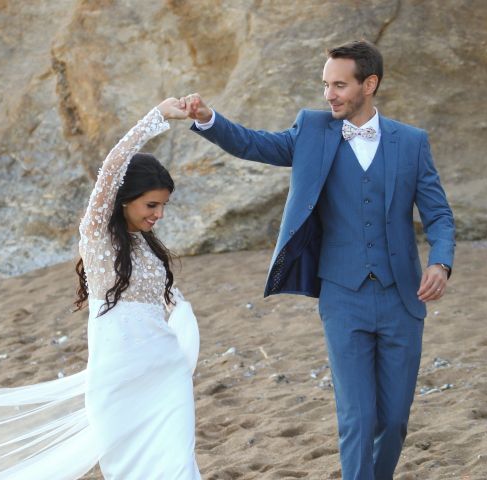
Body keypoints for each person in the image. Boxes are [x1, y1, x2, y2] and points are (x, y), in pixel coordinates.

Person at [0, 98, 202, 480]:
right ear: (124, 200)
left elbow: (164, 302)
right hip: (119, 382)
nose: (158, 214)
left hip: (167, 374)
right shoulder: (99, 240)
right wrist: (157, 117)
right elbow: (111, 171)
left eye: (164, 206)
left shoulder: (148, 249)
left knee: (180, 465)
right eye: (151, 204)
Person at [178, 40, 455, 479]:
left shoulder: (412, 142)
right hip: (343, 298)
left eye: (340, 85)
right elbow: (255, 144)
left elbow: (438, 213)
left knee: (394, 421)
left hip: (403, 297)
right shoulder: (311, 130)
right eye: (326, 84)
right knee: (357, 419)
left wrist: (440, 262)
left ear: (370, 84)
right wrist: (207, 119)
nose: (329, 94)